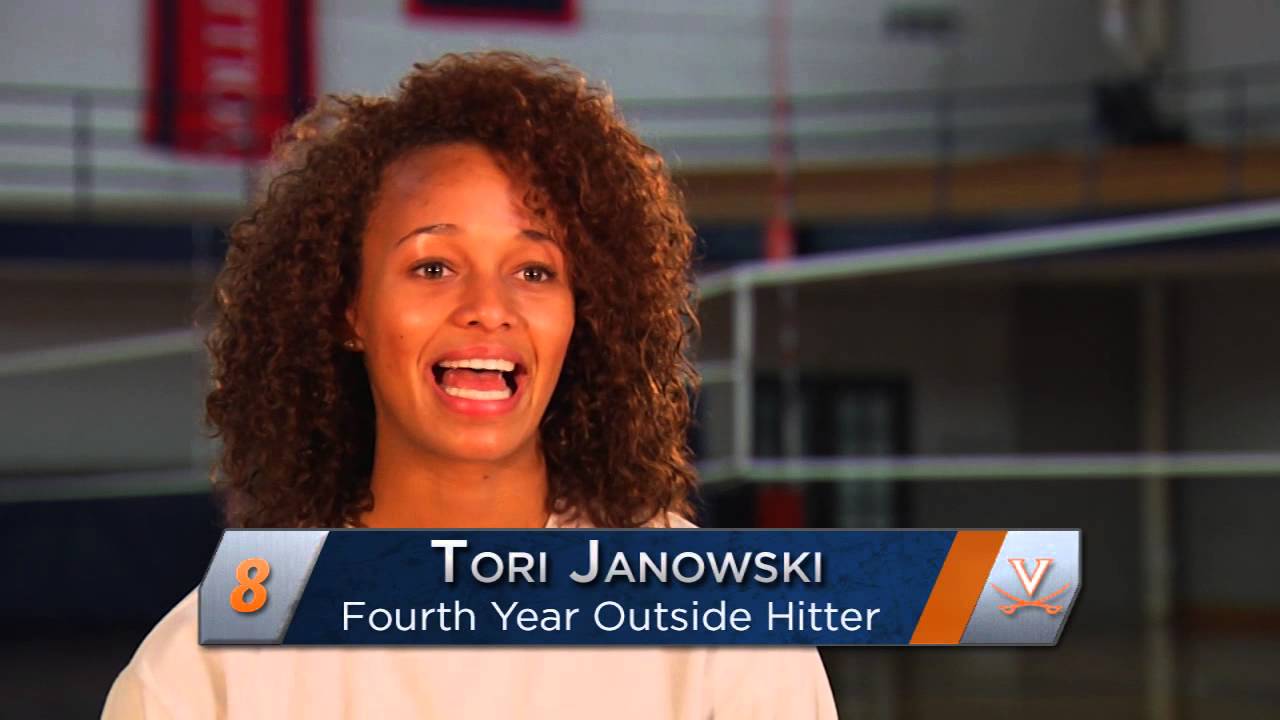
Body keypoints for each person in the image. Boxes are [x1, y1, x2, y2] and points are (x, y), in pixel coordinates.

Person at [102, 51, 838, 719]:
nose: (489, 308)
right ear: (346, 309)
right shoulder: (203, 673)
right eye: (432, 266)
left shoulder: (726, 636)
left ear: (586, 315)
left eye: (535, 271)